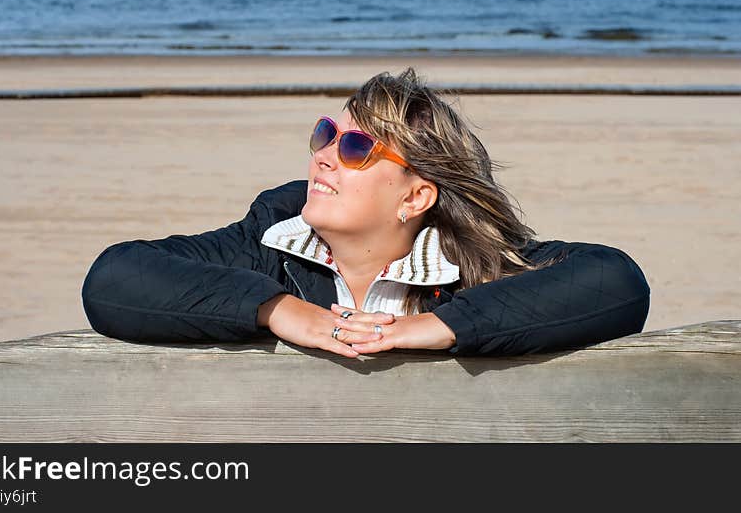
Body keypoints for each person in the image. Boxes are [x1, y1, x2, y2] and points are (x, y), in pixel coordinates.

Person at [81, 67, 650, 358]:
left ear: (415, 197)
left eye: (355, 148)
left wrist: (437, 326)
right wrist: (278, 309)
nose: (325, 155)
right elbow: (114, 279)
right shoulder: (268, 238)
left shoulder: (474, 265)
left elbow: (616, 282)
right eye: (326, 133)